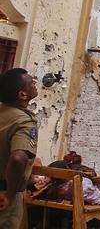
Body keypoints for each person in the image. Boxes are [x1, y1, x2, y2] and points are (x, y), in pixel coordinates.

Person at [0, 68, 38, 229]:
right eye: (31, 83)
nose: (35, 83)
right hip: (4, 191)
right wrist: (9, 194)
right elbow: (17, 159)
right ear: (22, 95)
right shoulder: (23, 122)